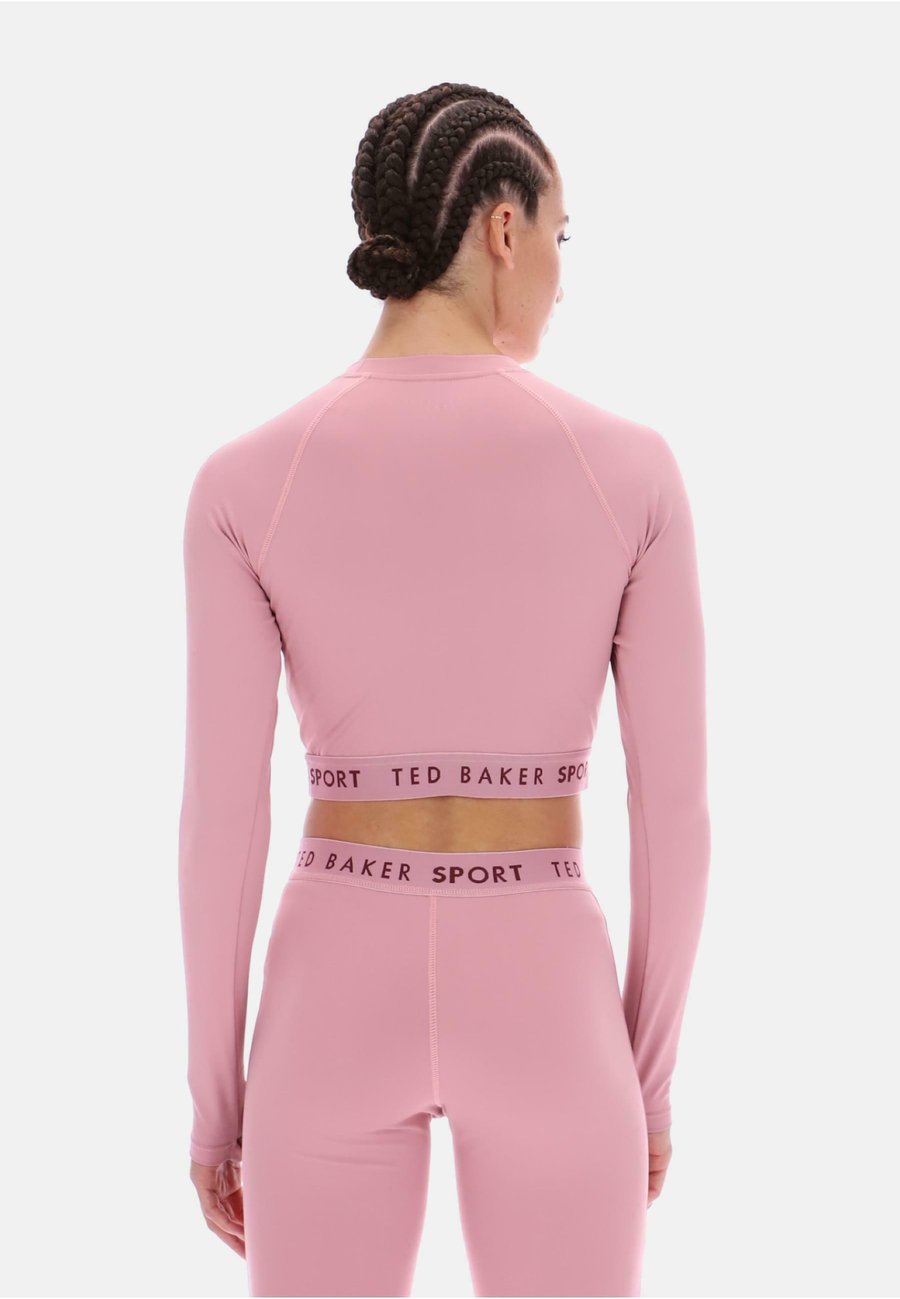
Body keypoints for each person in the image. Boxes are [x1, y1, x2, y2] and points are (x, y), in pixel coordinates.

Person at [177, 80, 711, 1299]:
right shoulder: (631, 470)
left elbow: (222, 826)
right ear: (504, 229)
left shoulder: (243, 481)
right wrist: (645, 1082)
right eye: (562, 236)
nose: (563, 279)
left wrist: (217, 1105)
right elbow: (675, 818)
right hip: (546, 987)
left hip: (330, 986)